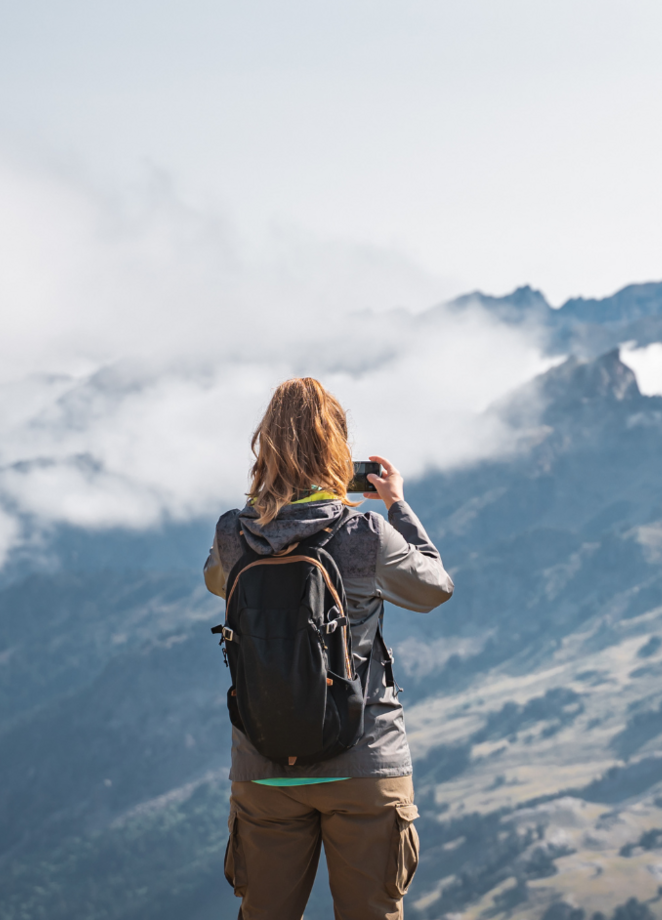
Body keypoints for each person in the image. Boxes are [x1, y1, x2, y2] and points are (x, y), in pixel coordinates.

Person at [204, 377, 454, 920]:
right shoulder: (365, 533)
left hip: (263, 762)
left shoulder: (232, 534)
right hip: (364, 759)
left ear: (265, 447)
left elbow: (215, 582)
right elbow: (434, 588)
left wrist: (264, 513)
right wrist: (397, 505)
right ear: (338, 451)